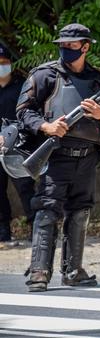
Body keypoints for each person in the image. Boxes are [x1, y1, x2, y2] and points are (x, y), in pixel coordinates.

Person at [18, 24, 100, 292]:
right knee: (47, 209)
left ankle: (73, 270)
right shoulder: (45, 76)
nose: (66, 49)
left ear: (86, 47)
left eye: (72, 46)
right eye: (62, 45)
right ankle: (39, 271)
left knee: (81, 210)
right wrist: (46, 127)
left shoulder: (99, 81)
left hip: (87, 157)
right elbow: (24, 112)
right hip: (56, 154)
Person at [0, 43, 36, 241]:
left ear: (11, 63)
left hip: (17, 145)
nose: (1, 66)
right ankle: (3, 231)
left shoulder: (22, 86)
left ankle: (35, 228)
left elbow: (28, 114)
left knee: (25, 187)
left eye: (4, 62)